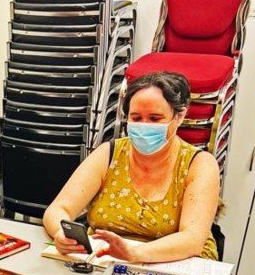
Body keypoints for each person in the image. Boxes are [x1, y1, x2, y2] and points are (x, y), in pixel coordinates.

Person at [43, 71, 220, 263]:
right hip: (105, 260)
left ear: (179, 116)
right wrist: (61, 233)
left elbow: (192, 240)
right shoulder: (109, 154)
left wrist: (134, 254)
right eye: (136, 118)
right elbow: (58, 209)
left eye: (155, 119)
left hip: (177, 263)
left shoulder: (199, 164)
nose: (144, 126)